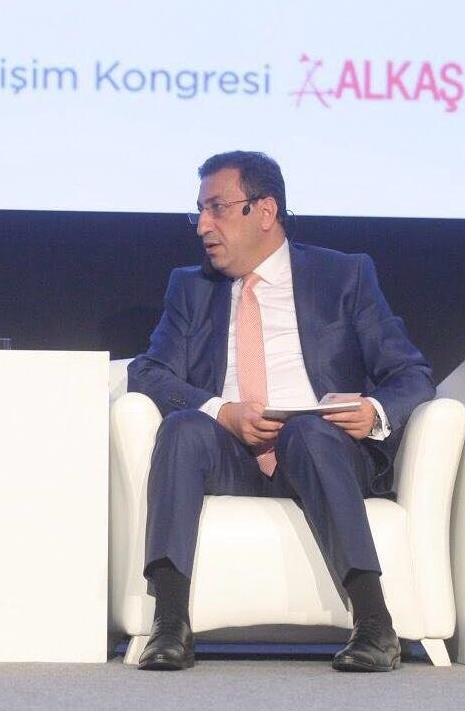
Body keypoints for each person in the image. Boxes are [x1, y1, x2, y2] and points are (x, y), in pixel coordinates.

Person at [128, 151, 435, 672]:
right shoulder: (191, 287)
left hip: (324, 451)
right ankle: (170, 623)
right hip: (233, 454)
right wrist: (222, 412)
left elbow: (411, 373)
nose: (203, 226)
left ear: (264, 211)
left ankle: (374, 623)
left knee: (306, 434)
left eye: (217, 208)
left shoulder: (344, 275)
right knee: (183, 428)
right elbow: (148, 372)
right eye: (199, 211)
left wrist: (375, 410)